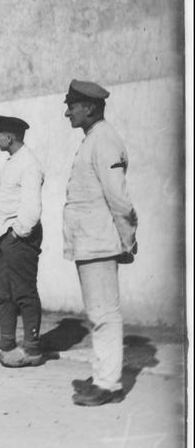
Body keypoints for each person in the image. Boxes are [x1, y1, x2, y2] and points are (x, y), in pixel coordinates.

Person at [62, 80, 138, 406]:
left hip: (100, 242)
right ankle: (101, 376)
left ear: (90, 107)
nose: (67, 112)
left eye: (72, 106)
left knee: (105, 314)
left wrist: (127, 240)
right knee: (98, 314)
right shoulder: (93, 139)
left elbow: (119, 198)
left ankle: (109, 385)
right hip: (89, 242)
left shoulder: (104, 140)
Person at [0, 115, 45, 367]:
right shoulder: (13, 161)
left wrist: (17, 234)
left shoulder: (29, 164)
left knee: (24, 292)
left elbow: (31, 206)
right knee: (2, 292)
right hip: (3, 237)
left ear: (10, 137)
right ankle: (6, 343)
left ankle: (32, 349)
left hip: (19, 238)